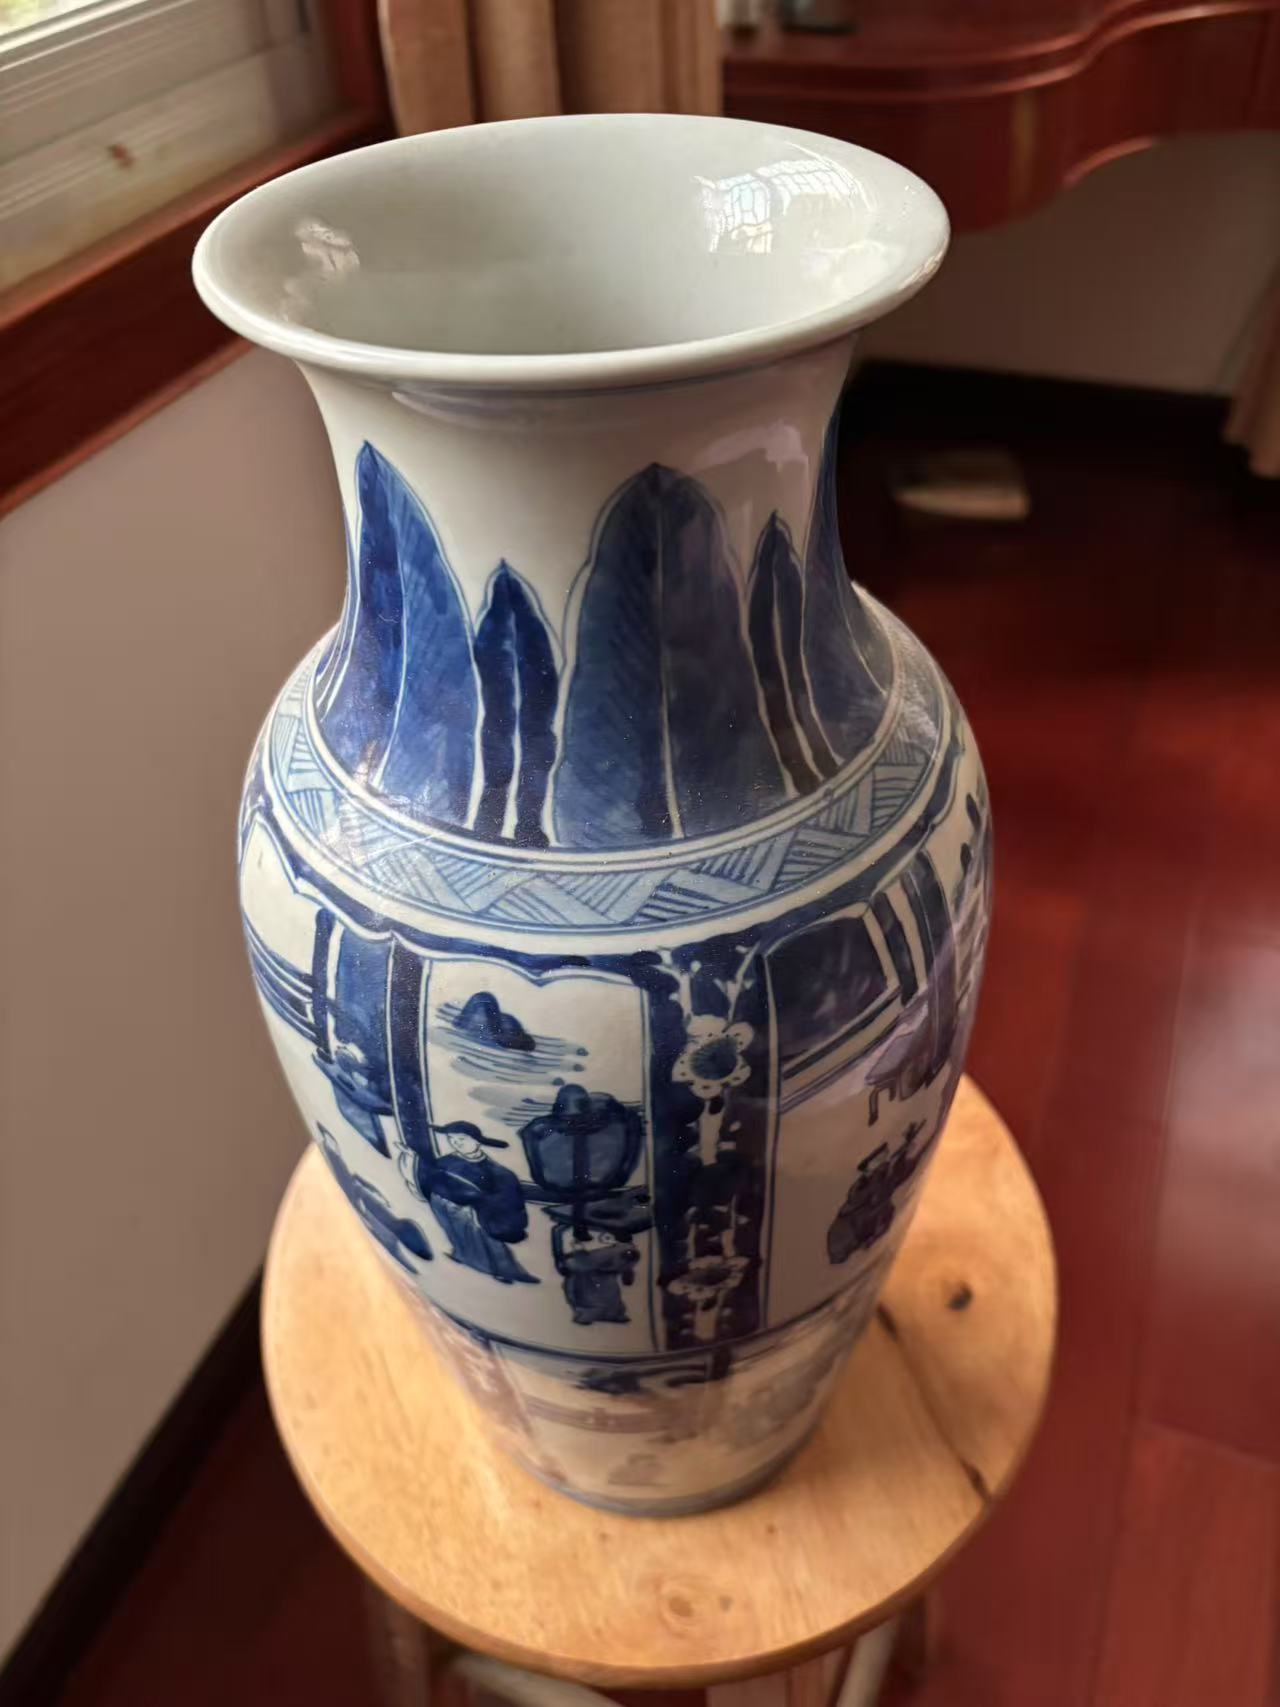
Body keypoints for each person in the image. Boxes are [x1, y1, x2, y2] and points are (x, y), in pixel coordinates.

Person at [415, 1120, 538, 1284]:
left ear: (477, 1141)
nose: (456, 1143)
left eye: (462, 1139)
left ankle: (504, 1269)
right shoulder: (444, 1164)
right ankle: (467, 1257)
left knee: (479, 1226)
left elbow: (509, 1200)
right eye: (452, 1139)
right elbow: (431, 1184)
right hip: (449, 1211)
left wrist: (480, 1202)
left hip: (483, 1215)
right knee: (461, 1218)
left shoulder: (499, 1173)